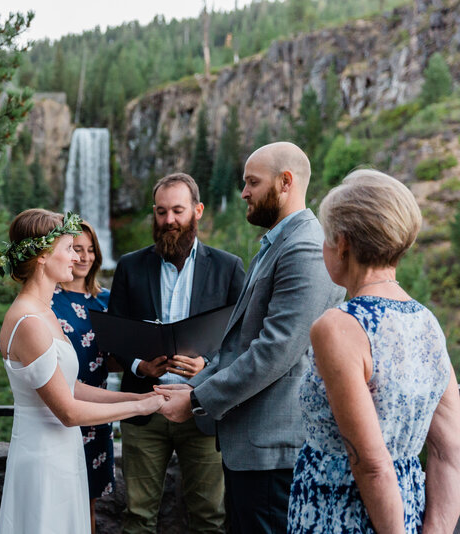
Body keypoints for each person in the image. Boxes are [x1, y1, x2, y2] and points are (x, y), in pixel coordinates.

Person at [158, 142, 345, 533]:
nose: (243, 192)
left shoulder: (305, 248)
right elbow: (239, 346)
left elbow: (275, 351)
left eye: (252, 182)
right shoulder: (277, 243)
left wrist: (195, 398)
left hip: (275, 452)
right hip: (253, 448)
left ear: (285, 182)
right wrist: (194, 384)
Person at [287, 169, 460, 533]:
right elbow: (449, 452)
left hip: (340, 511)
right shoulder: (427, 322)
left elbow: (371, 463)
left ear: (343, 244)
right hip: (410, 510)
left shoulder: (338, 327)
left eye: (326, 238)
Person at [0, 209, 167, 534]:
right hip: (43, 458)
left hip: (64, 453)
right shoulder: (29, 322)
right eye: (69, 248)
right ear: (42, 255)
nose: (76, 257)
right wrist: (141, 407)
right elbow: (67, 411)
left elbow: (73, 387)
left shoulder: (44, 311)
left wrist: (143, 394)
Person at [108, 173, 245, 533]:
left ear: (197, 211)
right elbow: (115, 333)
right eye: (161, 211)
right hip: (142, 406)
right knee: (137, 518)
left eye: (178, 211)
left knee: (210, 519)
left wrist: (208, 368)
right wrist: (139, 365)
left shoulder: (229, 267)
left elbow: (242, 338)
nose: (169, 221)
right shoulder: (129, 266)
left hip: (203, 406)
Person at [50, 220, 114, 533]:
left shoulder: (107, 301)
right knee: (60, 499)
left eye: (91, 250)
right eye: (77, 249)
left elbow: (118, 357)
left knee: (87, 501)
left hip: (97, 413)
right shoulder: (48, 302)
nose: (85, 257)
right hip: (60, 410)